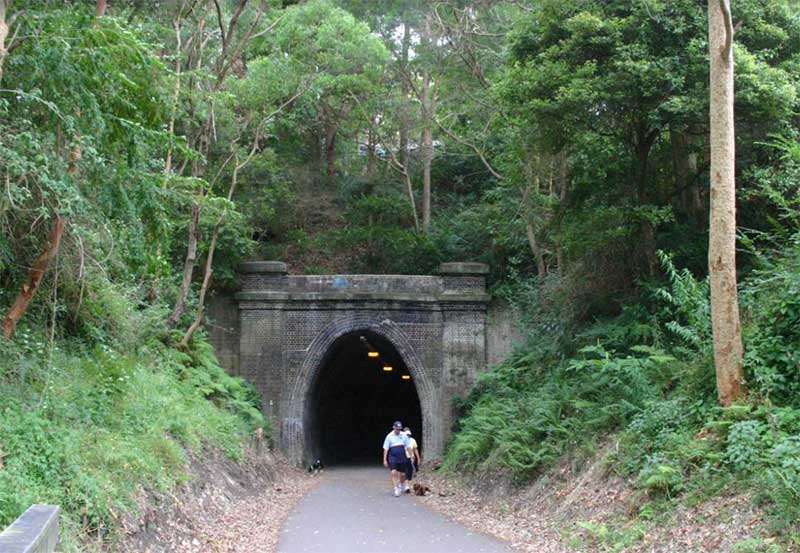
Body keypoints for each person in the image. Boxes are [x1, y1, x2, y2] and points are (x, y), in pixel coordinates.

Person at [382, 420, 411, 497]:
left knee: (402, 474)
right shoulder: (389, 436)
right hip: (392, 456)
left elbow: (408, 446)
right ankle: (396, 488)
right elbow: (386, 449)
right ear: (393, 428)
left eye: (399, 429)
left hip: (402, 456)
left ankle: (401, 484)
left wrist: (411, 455)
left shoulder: (404, 435)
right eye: (397, 429)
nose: (398, 430)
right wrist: (384, 459)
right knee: (393, 472)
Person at [402, 427, 421, 493]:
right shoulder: (401, 440)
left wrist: (418, 458)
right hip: (403, 457)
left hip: (411, 458)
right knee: (405, 471)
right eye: (406, 434)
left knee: (410, 472)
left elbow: (415, 449)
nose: (408, 435)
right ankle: (406, 486)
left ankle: (406, 483)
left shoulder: (413, 440)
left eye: (408, 434)